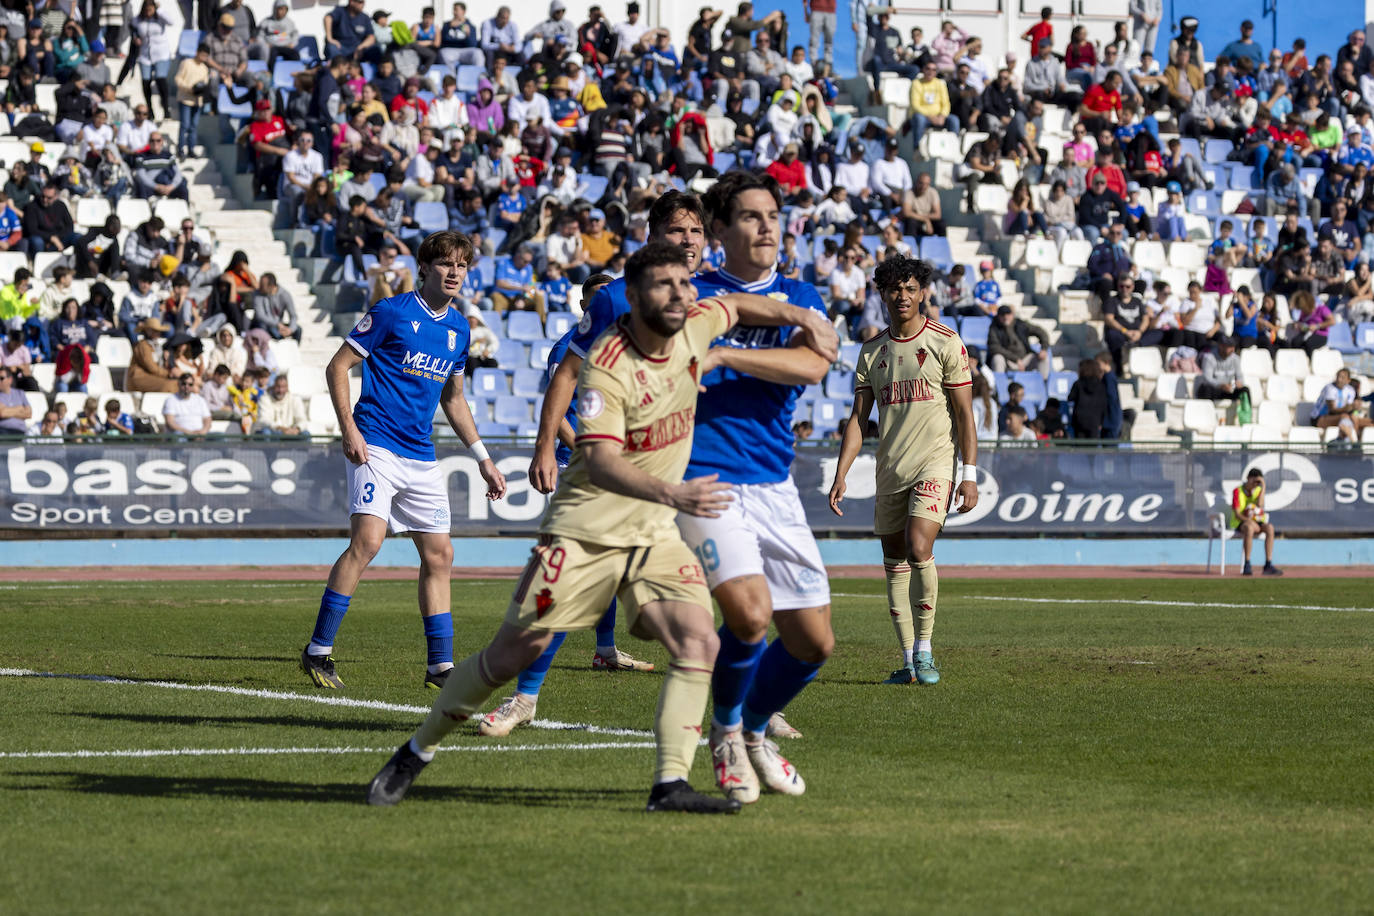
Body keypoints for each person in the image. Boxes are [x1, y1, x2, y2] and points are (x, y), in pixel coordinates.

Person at [365, 240, 831, 813]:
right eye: (665, 286)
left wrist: (803, 315)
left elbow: (738, 304)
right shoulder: (608, 366)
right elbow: (604, 462)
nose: (682, 295)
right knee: (513, 652)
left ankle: (669, 785)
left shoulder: (697, 322)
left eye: (685, 285)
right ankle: (418, 749)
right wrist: (674, 491)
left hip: (655, 532)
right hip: (587, 529)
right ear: (631, 299)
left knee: (698, 640)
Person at [674, 173, 839, 801]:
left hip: (773, 482)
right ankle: (723, 735)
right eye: (749, 216)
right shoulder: (693, 292)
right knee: (748, 614)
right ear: (719, 231)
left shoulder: (801, 291)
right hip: (704, 477)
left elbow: (814, 364)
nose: (767, 226)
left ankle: (750, 730)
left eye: (773, 214)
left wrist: (728, 358)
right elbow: (705, 333)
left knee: (813, 642)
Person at [302, 232, 506, 692]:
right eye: (445, 264)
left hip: (421, 455)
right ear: (424, 267)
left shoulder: (459, 329)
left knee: (441, 555)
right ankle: (318, 650)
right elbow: (337, 367)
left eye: (462, 266)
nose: (455, 273)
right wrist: (349, 429)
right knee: (368, 542)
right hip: (376, 445)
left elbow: (454, 399)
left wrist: (483, 459)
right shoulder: (391, 312)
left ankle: (440, 668)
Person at [828, 255, 977, 685]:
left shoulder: (947, 343)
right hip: (889, 470)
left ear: (924, 293)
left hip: (935, 463)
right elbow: (859, 419)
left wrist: (968, 474)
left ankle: (926, 649)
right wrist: (842, 473)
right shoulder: (871, 351)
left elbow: (965, 415)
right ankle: (909, 661)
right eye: (895, 289)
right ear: (882, 294)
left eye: (911, 288)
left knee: (917, 545)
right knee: (893, 560)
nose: (903, 296)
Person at [1231, 468, 1283, 576]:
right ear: (1248, 479)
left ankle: (1268, 564)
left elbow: (1260, 505)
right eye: (1254, 481)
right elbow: (1237, 514)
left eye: (1258, 482)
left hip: (1257, 522)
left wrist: (1263, 486)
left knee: (1270, 528)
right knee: (1249, 528)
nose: (1255, 484)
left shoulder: (1258, 491)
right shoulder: (1238, 491)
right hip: (1241, 522)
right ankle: (1247, 564)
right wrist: (1249, 521)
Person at [1311, 367, 1371, 441]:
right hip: (1319, 418)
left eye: (1342, 377)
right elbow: (1332, 410)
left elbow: (1349, 409)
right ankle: (1353, 442)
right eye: (1338, 377)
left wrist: (1355, 408)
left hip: (1341, 416)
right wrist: (1351, 407)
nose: (1339, 379)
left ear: (1348, 380)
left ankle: (1356, 441)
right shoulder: (1329, 388)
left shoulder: (1350, 390)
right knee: (1345, 417)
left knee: (1362, 420)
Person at [162, 372, 212, 437]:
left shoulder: (200, 399)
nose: (186, 387)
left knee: (221, 437)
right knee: (178, 437)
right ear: (178, 384)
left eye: (190, 384)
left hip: (200, 435)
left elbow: (208, 419)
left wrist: (203, 431)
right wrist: (189, 433)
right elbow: (170, 422)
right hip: (181, 435)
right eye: (184, 383)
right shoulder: (171, 400)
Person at [0, 365, 33, 435]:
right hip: (2, 431)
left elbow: (28, 414)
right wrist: (20, 408)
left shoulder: (20, 393)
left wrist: (6, 410)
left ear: (10, 379)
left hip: (20, 431)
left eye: (1, 378)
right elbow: (2, 413)